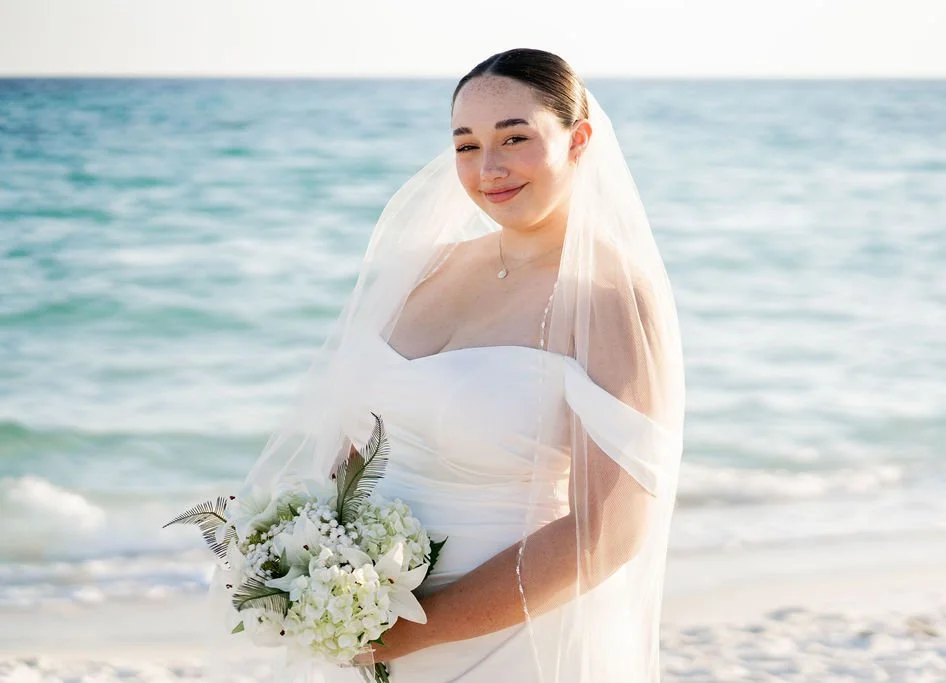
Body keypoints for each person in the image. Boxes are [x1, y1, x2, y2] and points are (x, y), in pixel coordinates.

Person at [241, 47, 685, 682]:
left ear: (578, 139)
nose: (490, 168)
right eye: (466, 145)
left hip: (505, 640)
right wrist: (315, 571)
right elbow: (355, 447)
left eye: (515, 138)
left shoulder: (610, 297)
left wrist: (412, 632)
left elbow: (608, 531)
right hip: (360, 623)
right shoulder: (424, 268)